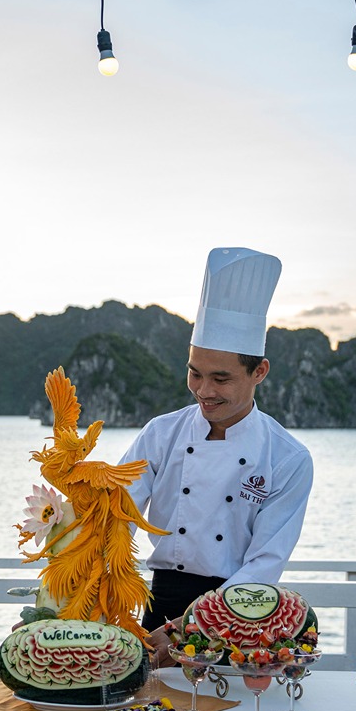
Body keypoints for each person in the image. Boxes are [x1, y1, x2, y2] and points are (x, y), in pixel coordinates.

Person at [120, 247, 314, 658]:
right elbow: (115, 519)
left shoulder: (287, 458)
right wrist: (76, 602)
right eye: (195, 373)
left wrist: (187, 628)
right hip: (158, 609)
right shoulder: (160, 434)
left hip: (239, 617)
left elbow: (264, 564)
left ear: (259, 371)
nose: (204, 391)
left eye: (221, 379)